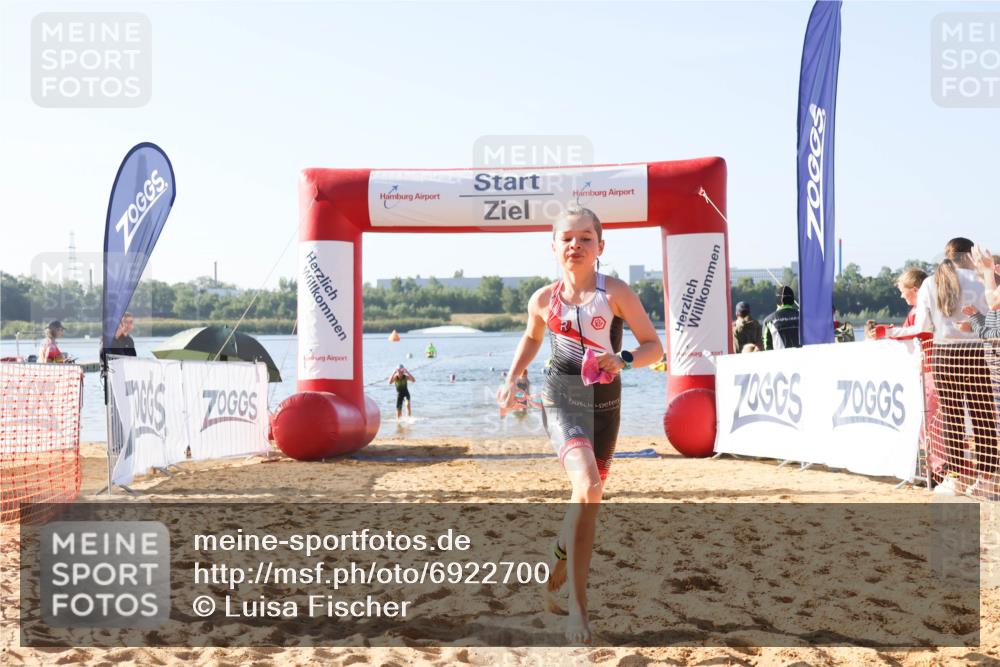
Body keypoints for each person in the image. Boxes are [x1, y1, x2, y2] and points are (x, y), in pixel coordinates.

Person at [496, 206, 662, 643]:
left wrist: (622, 358)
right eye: (567, 238)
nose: (575, 245)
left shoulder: (617, 294)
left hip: (605, 405)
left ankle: (560, 555)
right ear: (554, 247)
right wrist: (512, 378)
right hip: (562, 399)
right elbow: (533, 336)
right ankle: (578, 612)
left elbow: (654, 348)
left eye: (585, 238)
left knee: (588, 496)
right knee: (587, 484)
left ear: (600, 247)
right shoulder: (543, 300)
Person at [906, 238, 996, 497]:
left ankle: (956, 478)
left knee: (952, 418)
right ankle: (987, 480)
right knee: (983, 418)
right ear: (969, 255)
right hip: (977, 352)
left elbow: (923, 326)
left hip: (945, 353)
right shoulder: (981, 278)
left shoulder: (930, 282)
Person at [761, 285, 800, 350]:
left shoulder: (768, 320)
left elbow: (766, 345)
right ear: (792, 300)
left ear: (776, 301)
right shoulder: (802, 317)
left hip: (779, 359)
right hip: (803, 358)